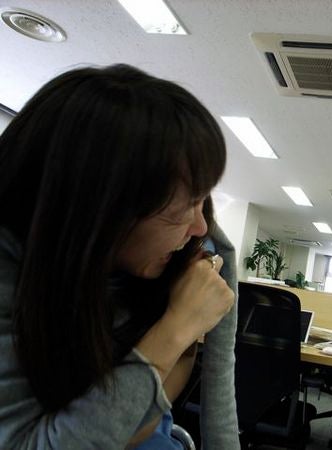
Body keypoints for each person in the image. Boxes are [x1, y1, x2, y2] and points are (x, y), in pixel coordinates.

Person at [0, 64, 240, 449]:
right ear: (100, 210)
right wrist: (177, 327)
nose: (200, 227)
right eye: (184, 208)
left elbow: (158, 411)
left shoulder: (158, 258)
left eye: (202, 201)